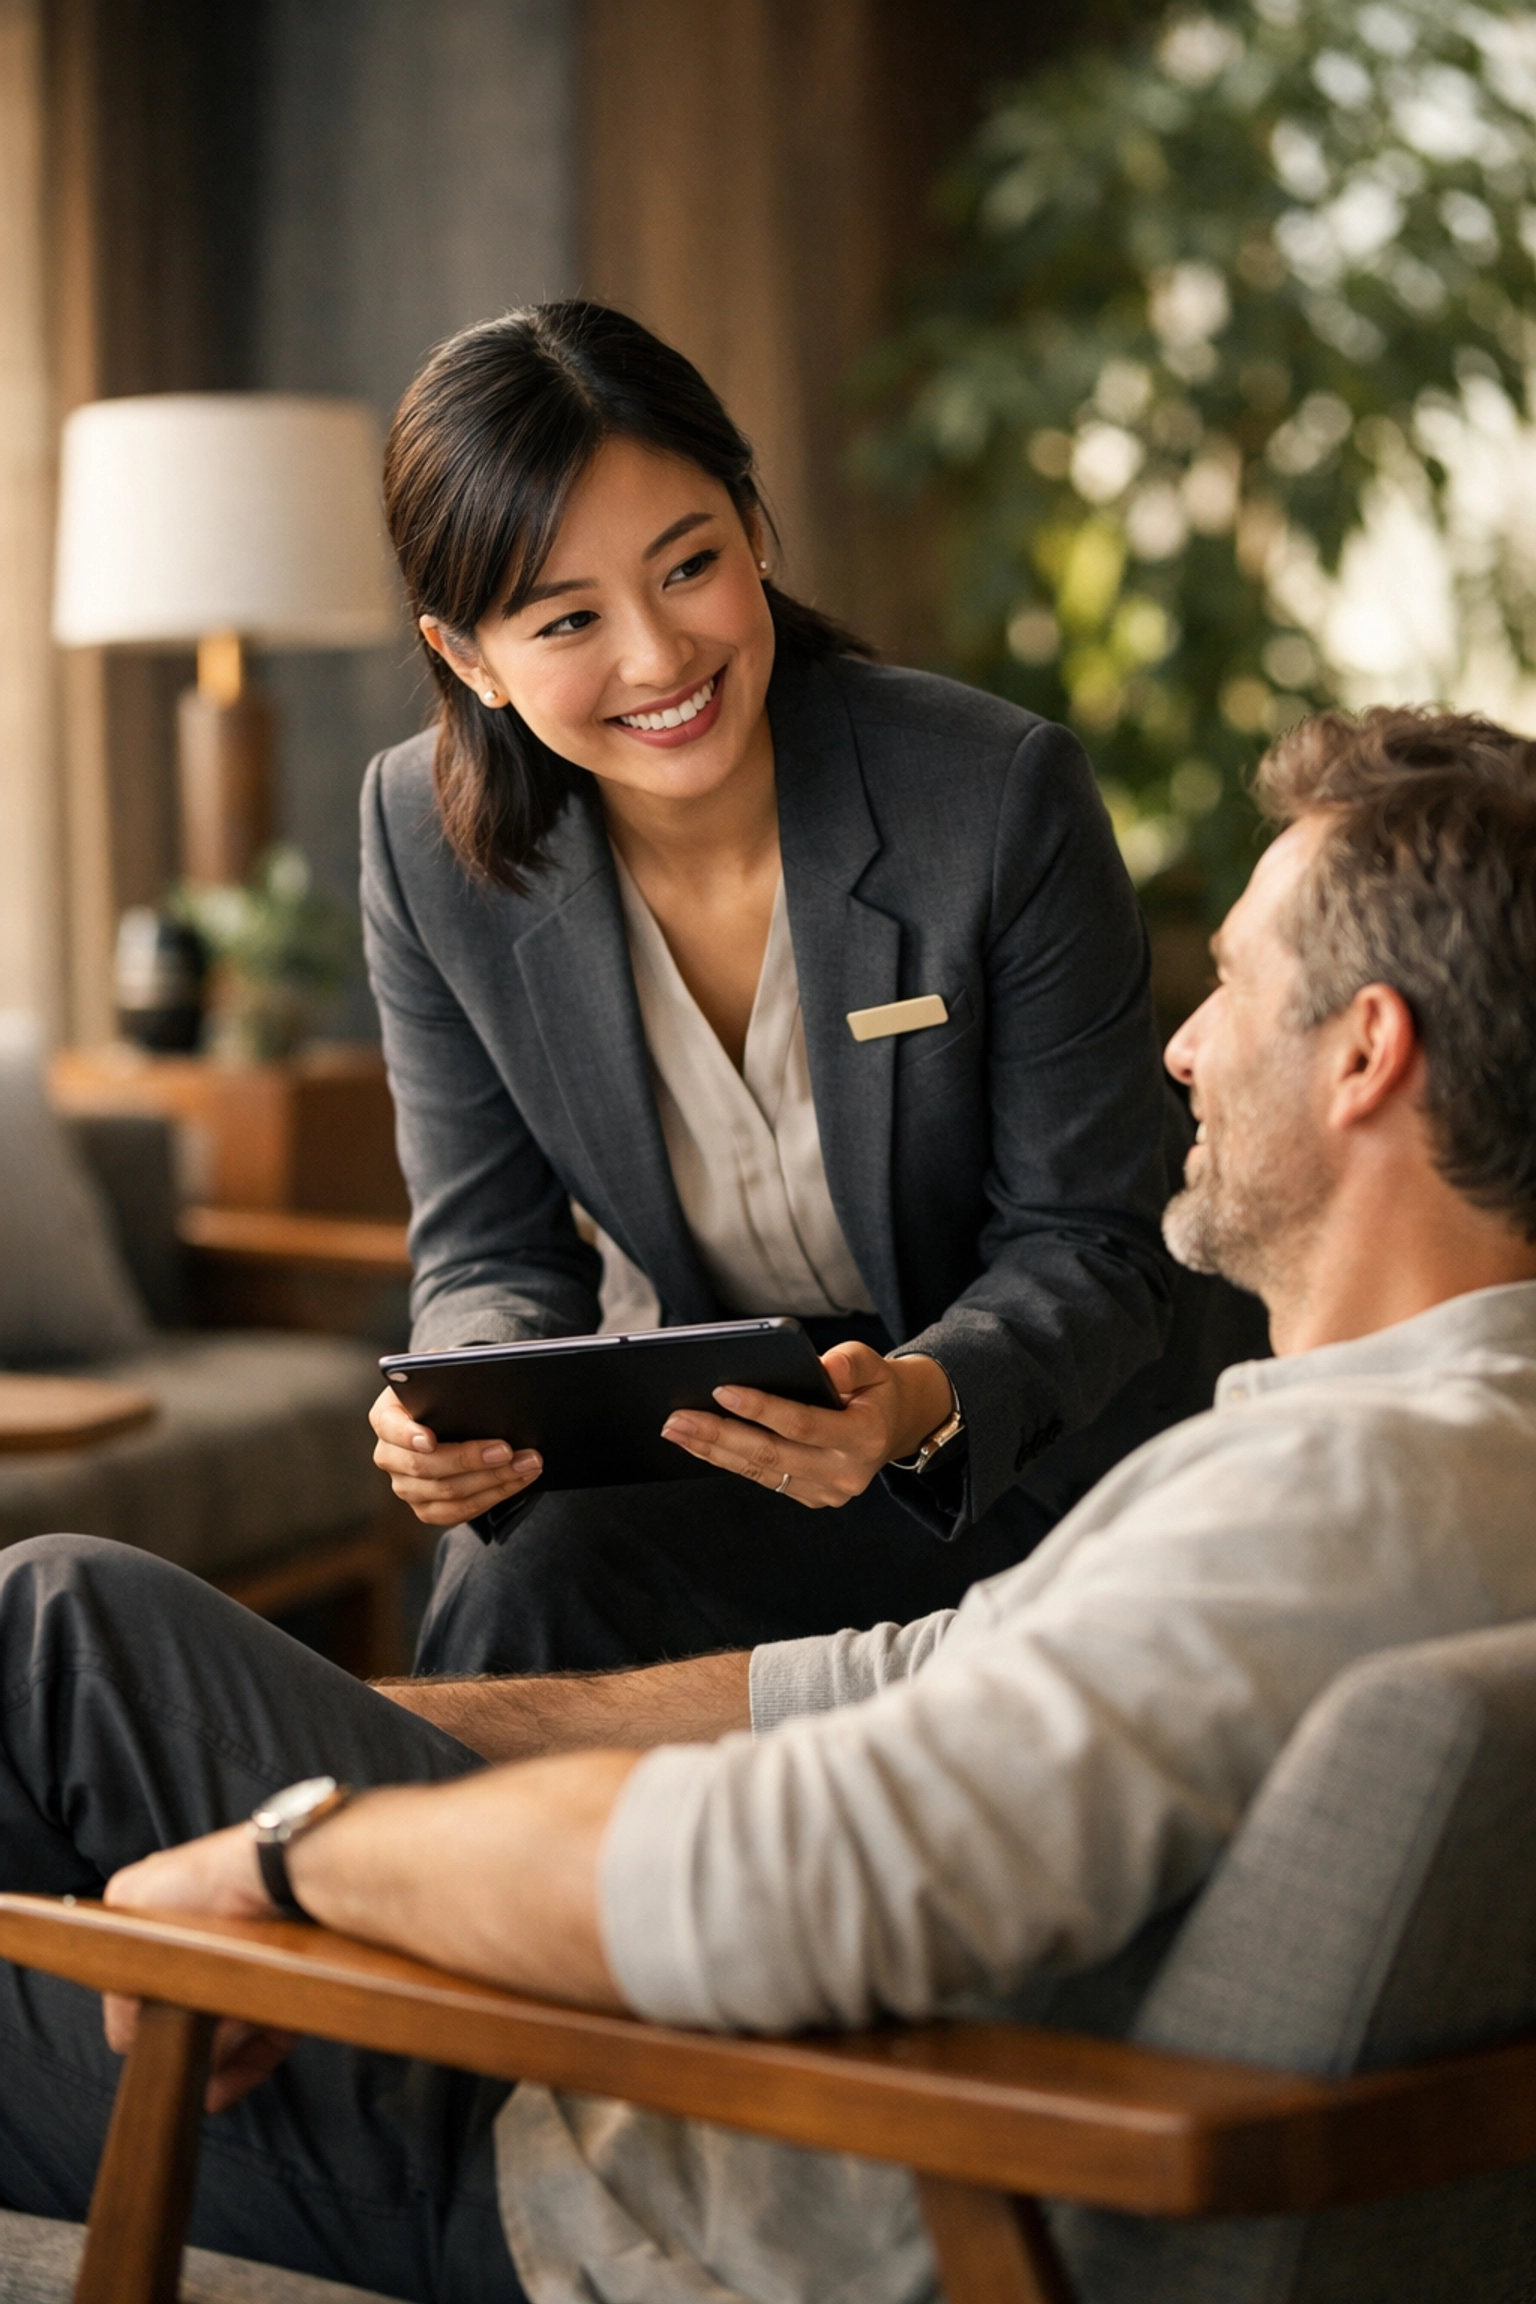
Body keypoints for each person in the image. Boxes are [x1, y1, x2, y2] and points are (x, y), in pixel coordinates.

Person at [2, 704, 1535, 2304]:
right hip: (749, 2089)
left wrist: (290, 1853)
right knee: (67, 1624)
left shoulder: (1334, 1500)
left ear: (1367, 1051)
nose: (1182, 1045)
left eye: (1231, 982)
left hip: (656, 2172)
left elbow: (783, 1877)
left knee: (42, 1679)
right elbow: (896, 1685)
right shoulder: (1446, 1451)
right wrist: (362, 1727)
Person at [361, 299, 1263, 1678]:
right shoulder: (422, 842)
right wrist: (465, 1398)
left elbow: (1093, 1247)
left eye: (689, 566)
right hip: (729, 1450)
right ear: (465, 657)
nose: (659, 659)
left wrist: (909, 1402)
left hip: (1030, 1450)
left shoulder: (993, 796)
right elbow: (490, 1252)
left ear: (753, 525)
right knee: (517, 1570)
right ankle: (411, 1886)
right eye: (566, 619)